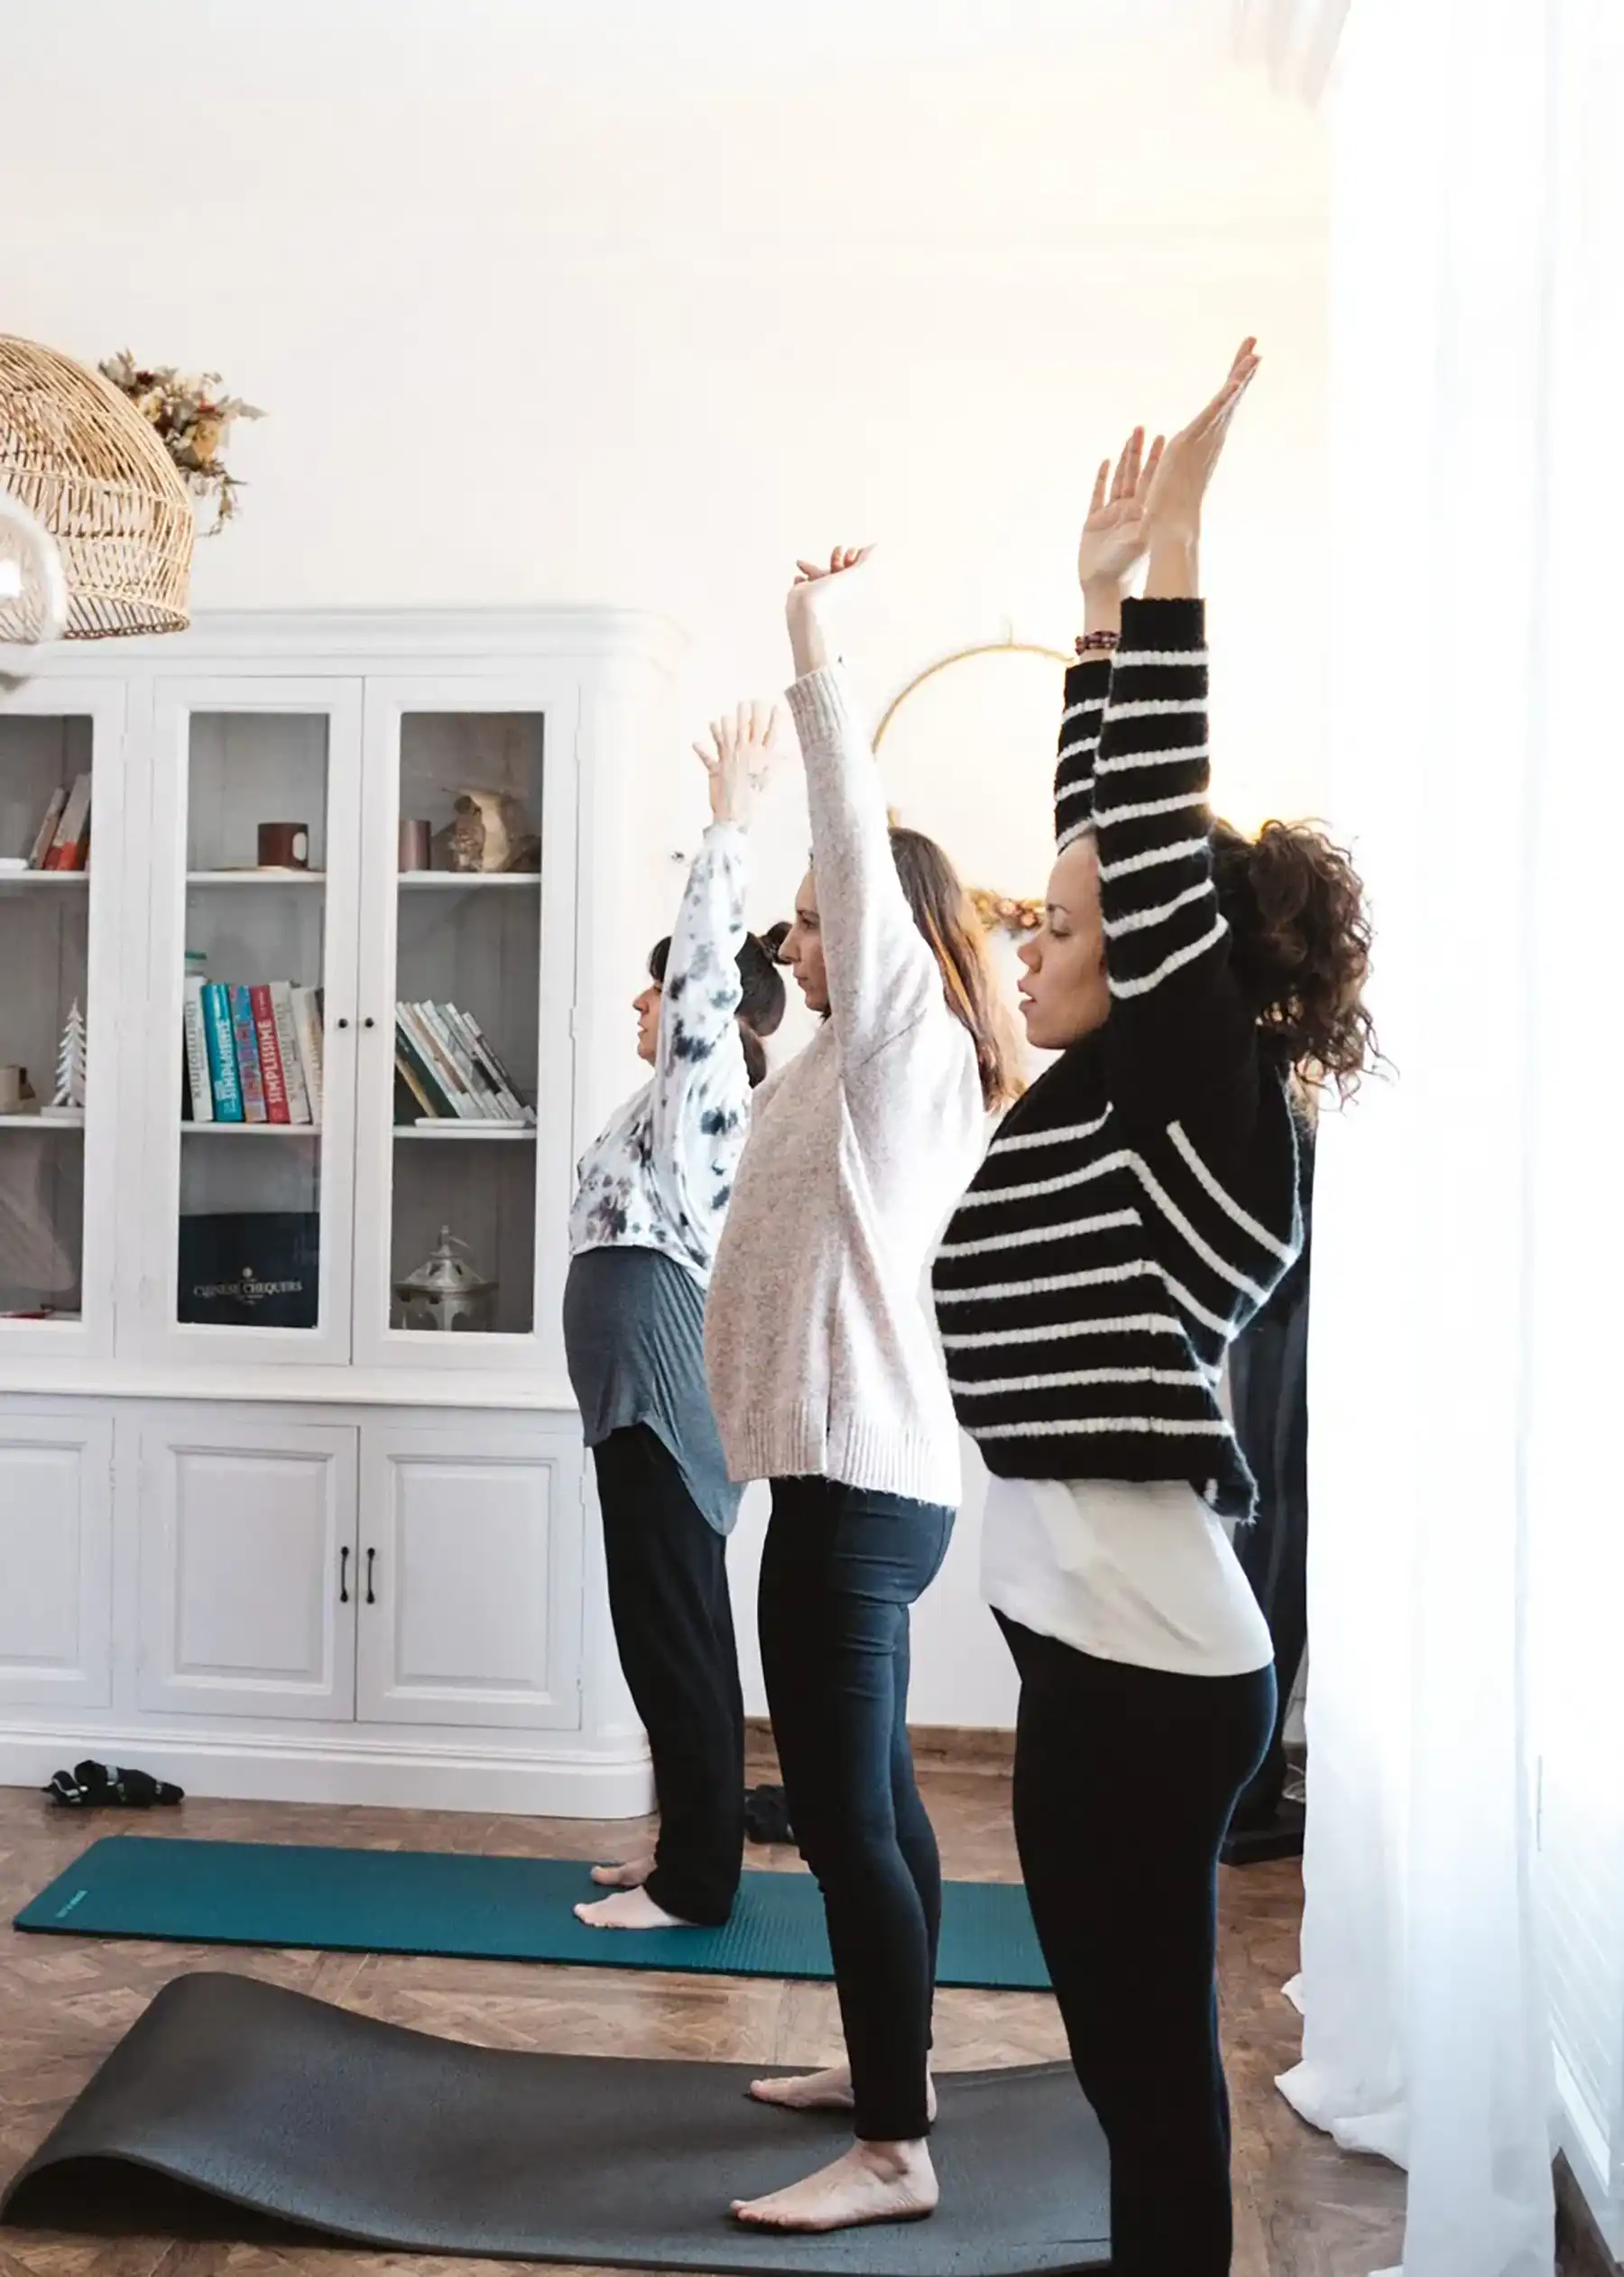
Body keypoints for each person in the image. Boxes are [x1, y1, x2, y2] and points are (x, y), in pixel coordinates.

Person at [931, 342, 1377, 2276]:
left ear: (1162, 963)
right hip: (1079, 1638)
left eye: (1058, 925)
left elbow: (1144, 854)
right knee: (1121, 2068)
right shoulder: (1119, 1100)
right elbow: (1108, 851)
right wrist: (1090, 617)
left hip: (1151, 1670)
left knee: (1148, 2066)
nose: (1030, 942)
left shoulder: (1208, 1111)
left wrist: (1176, 568)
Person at [705, 547, 1017, 2235]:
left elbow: (847, 830)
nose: (800, 932)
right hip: (842, 1477)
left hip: (857, 1485)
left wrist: (811, 642)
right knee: (876, 1799)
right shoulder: (832, 1052)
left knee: (840, 1815)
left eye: (824, 915)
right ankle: (890, 2065)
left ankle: (896, 2148)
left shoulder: (901, 1034)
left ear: (880, 925)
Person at [565, 704, 786, 1934]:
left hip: (659, 1395)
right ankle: (678, 1852)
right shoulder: (666, 1107)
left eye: (659, 992)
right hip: (635, 1399)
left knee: (677, 1639)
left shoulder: (707, 1089)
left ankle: (699, 1883)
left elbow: (708, 973)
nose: (646, 1008)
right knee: (666, 1634)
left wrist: (727, 822)